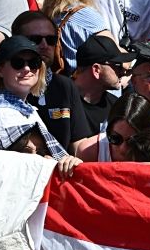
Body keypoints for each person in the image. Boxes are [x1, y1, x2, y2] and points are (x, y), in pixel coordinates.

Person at [0, 35, 82, 177]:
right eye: (18, 63)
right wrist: (61, 162)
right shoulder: (2, 113)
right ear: (0, 70)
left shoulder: (24, 108)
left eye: (34, 62)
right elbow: (29, 164)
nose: (27, 68)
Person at [6, 11, 96, 150]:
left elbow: (78, 144)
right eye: (35, 39)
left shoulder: (65, 85)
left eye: (51, 40)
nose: (44, 45)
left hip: (60, 169)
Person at [75, 93, 150, 163]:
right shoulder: (89, 151)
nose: (123, 148)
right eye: (115, 138)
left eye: (132, 141)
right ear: (108, 130)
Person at [71, 33, 130, 131]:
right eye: (117, 65)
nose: (123, 72)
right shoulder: (63, 101)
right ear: (96, 70)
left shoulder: (116, 107)